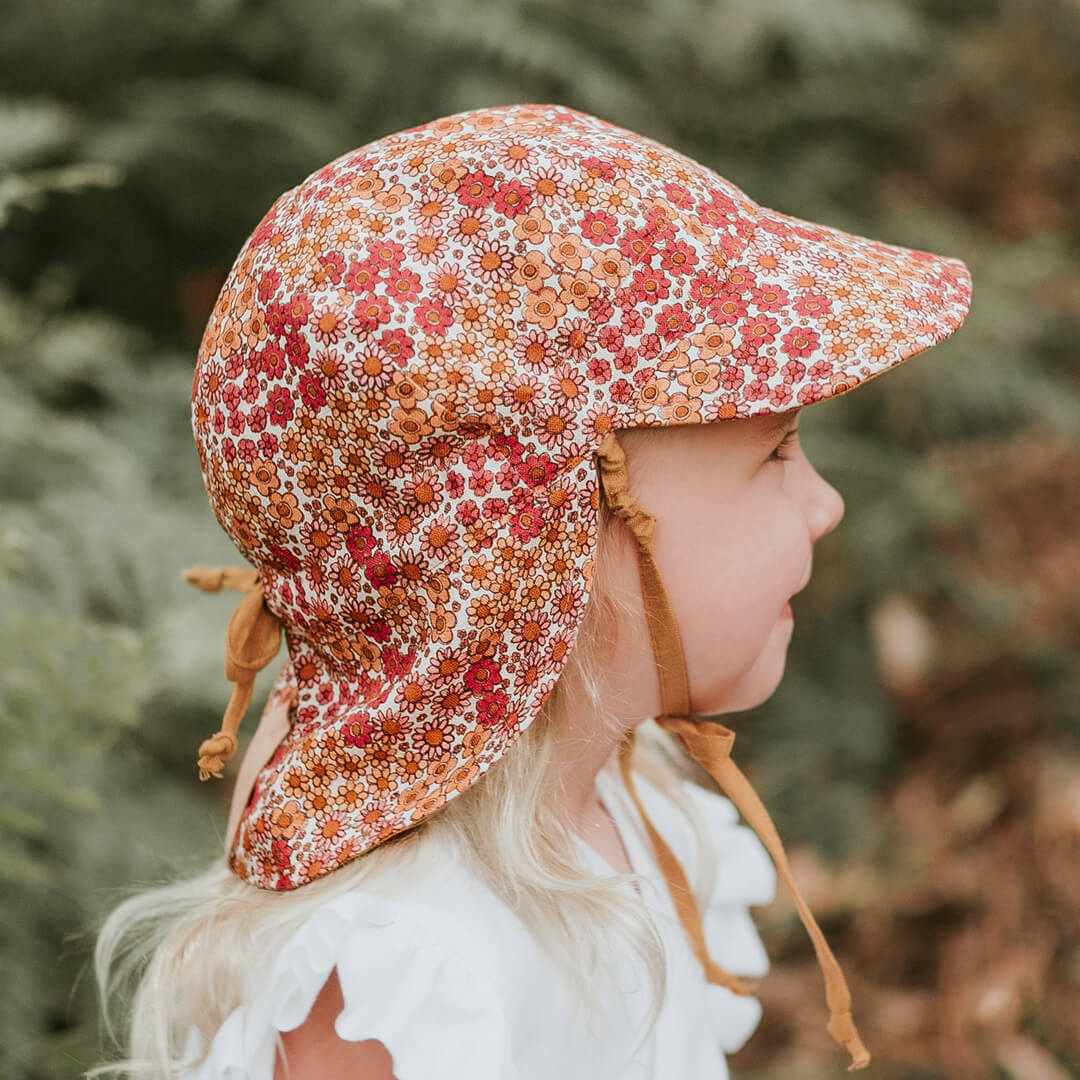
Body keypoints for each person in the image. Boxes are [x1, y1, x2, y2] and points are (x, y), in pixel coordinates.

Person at [89, 102, 972, 1080]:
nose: (826, 504)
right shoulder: (409, 976)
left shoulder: (635, 808)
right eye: (776, 451)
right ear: (556, 533)